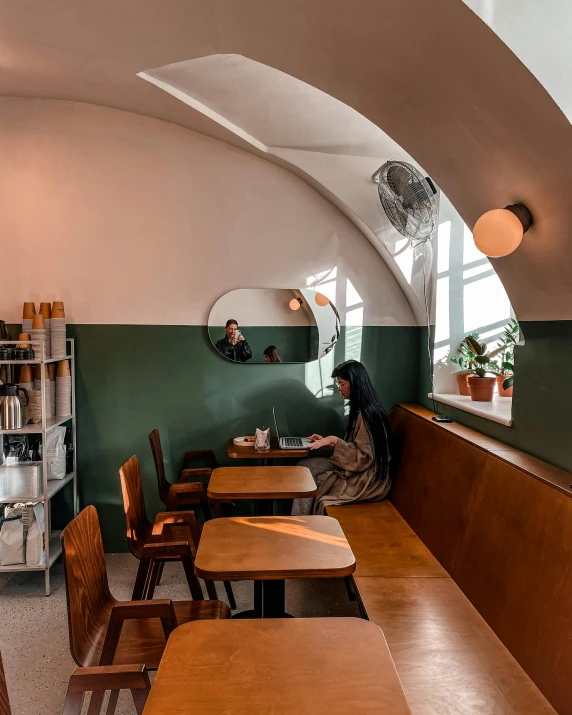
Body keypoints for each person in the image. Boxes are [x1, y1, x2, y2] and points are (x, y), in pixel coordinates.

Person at [292, 360, 391, 515]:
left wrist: (334, 440)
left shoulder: (368, 415)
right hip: (355, 468)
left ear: (355, 383)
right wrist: (329, 444)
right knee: (304, 467)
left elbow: (364, 459)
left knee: (311, 478)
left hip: (367, 480)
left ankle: (303, 523)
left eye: (342, 383)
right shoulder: (359, 409)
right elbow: (354, 449)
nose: (339, 388)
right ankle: (299, 519)